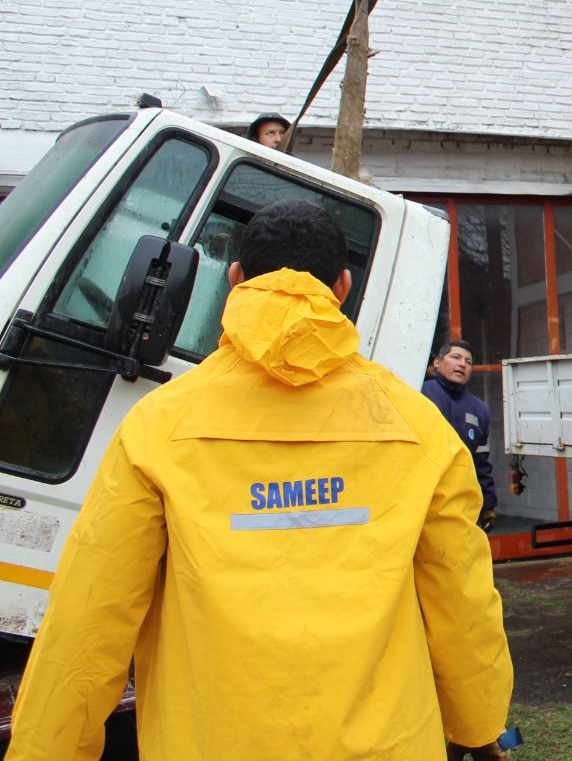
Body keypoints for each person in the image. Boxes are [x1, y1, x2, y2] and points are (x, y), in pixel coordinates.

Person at [9, 200, 513, 761]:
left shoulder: (160, 424)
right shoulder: (418, 426)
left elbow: (88, 618)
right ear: (343, 287)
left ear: (234, 279)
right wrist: (478, 722)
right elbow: (462, 596)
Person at [422, 340, 499, 531]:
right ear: (437, 363)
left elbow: (481, 462)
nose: (462, 364)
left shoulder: (479, 410)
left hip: (458, 504)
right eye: (455, 357)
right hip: (421, 499)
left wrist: (488, 505)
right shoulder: (417, 394)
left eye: (468, 362)